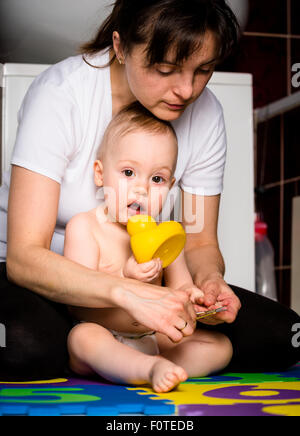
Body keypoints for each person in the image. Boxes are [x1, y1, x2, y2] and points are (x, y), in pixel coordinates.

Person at [0, 0, 299, 381]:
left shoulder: (206, 114)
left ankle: (132, 361)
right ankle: (93, 350)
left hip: (147, 301)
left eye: (204, 70)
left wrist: (208, 283)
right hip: (43, 282)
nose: (187, 90)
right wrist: (126, 294)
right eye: (165, 69)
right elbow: (26, 258)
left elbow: (200, 245)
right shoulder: (63, 94)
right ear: (121, 47)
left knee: (283, 337)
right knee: (23, 343)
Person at [65, 102, 233, 393]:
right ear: (100, 174)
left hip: (153, 335)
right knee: (82, 338)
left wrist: (197, 299)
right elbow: (77, 300)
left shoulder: (165, 236)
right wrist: (126, 277)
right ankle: (147, 368)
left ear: (170, 186)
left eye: (157, 179)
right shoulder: (85, 227)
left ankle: (154, 366)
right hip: (105, 334)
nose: (141, 188)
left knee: (220, 346)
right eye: (129, 173)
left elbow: (181, 288)